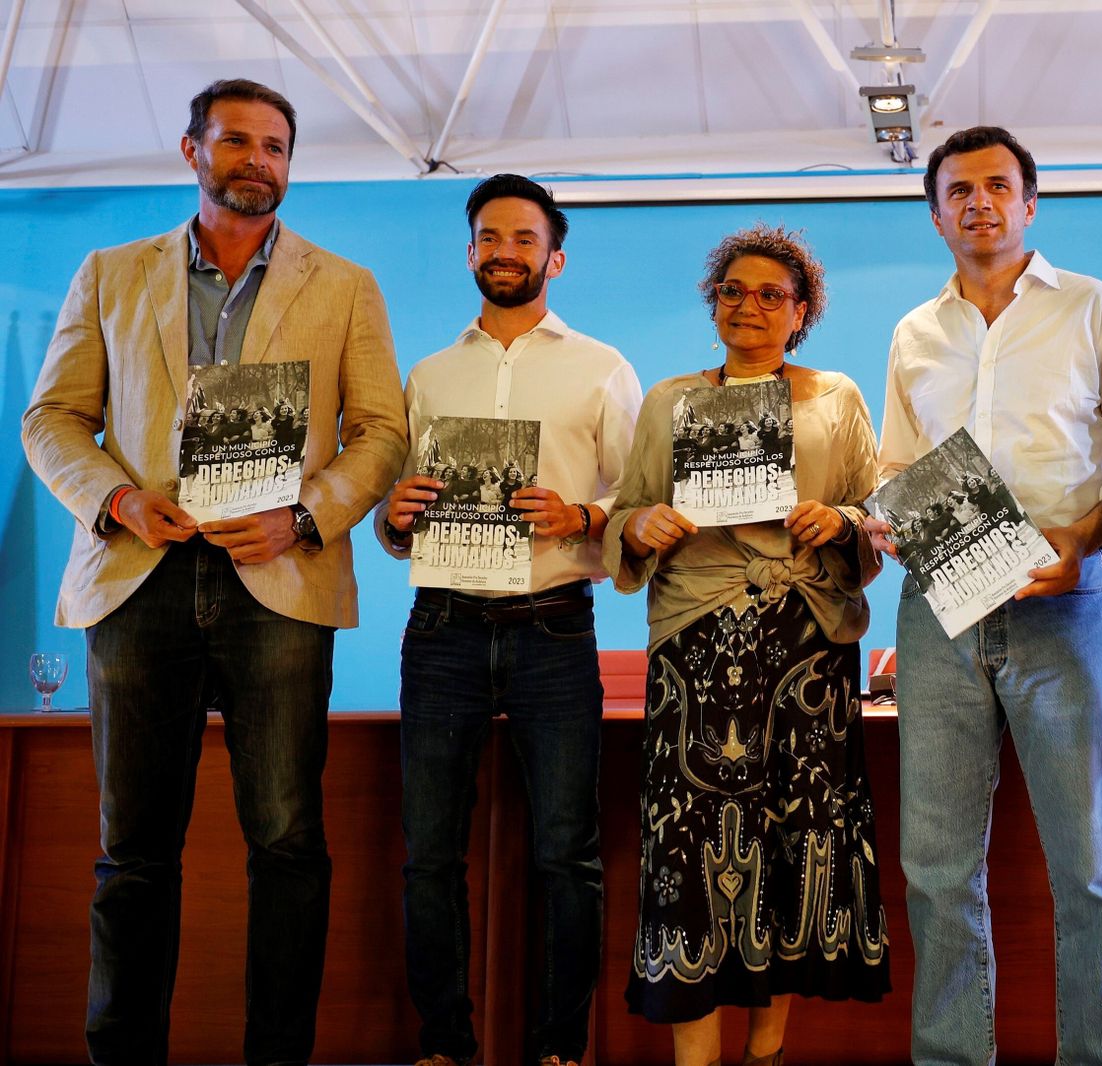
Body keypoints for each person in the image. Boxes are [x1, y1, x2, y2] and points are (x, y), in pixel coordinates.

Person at [20, 78, 407, 1065]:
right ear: (191, 150)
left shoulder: (346, 284)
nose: (257, 159)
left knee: (286, 843)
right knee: (132, 853)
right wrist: (116, 499)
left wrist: (306, 516)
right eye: (235, 141)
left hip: (279, 585)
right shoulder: (110, 273)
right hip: (139, 577)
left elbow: (381, 432)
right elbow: (51, 419)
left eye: (275, 145)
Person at [863, 125, 1102, 1065]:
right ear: (936, 213)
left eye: (998, 185)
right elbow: (900, 466)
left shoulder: (1092, 308)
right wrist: (888, 519)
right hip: (939, 613)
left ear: (1032, 202)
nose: (979, 201)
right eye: (959, 190)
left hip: (1066, 603)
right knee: (937, 869)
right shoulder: (916, 331)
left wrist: (1083, 537)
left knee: (1089, 868)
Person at [604, 223, 890, 1066]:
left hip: (807, 648)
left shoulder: (836, 397)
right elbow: (624, 513)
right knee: (690, 849)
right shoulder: (667, 402)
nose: (749, 306)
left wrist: (838, 521)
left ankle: (766, 1054)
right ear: (712, 303)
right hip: (695, 646)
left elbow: (876, 524)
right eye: (733, 291)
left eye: (771, 294)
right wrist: (640, 525)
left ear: (802, 311)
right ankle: (697, 1061)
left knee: (797, 845)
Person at [374, 174, 643, 1066]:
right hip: (441, 627)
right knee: (429, 857)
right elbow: (394, 526)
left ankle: (561, 1049)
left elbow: (639, 498)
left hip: (554, 626)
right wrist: (393, 514)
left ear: (554, 258)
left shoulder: (603, 367)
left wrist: (586, 516)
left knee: (567, 854)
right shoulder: (429, 374)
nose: (504, 251)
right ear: (469, 252)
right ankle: (443, 1045)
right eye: (489, 236)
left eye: (524, 239)